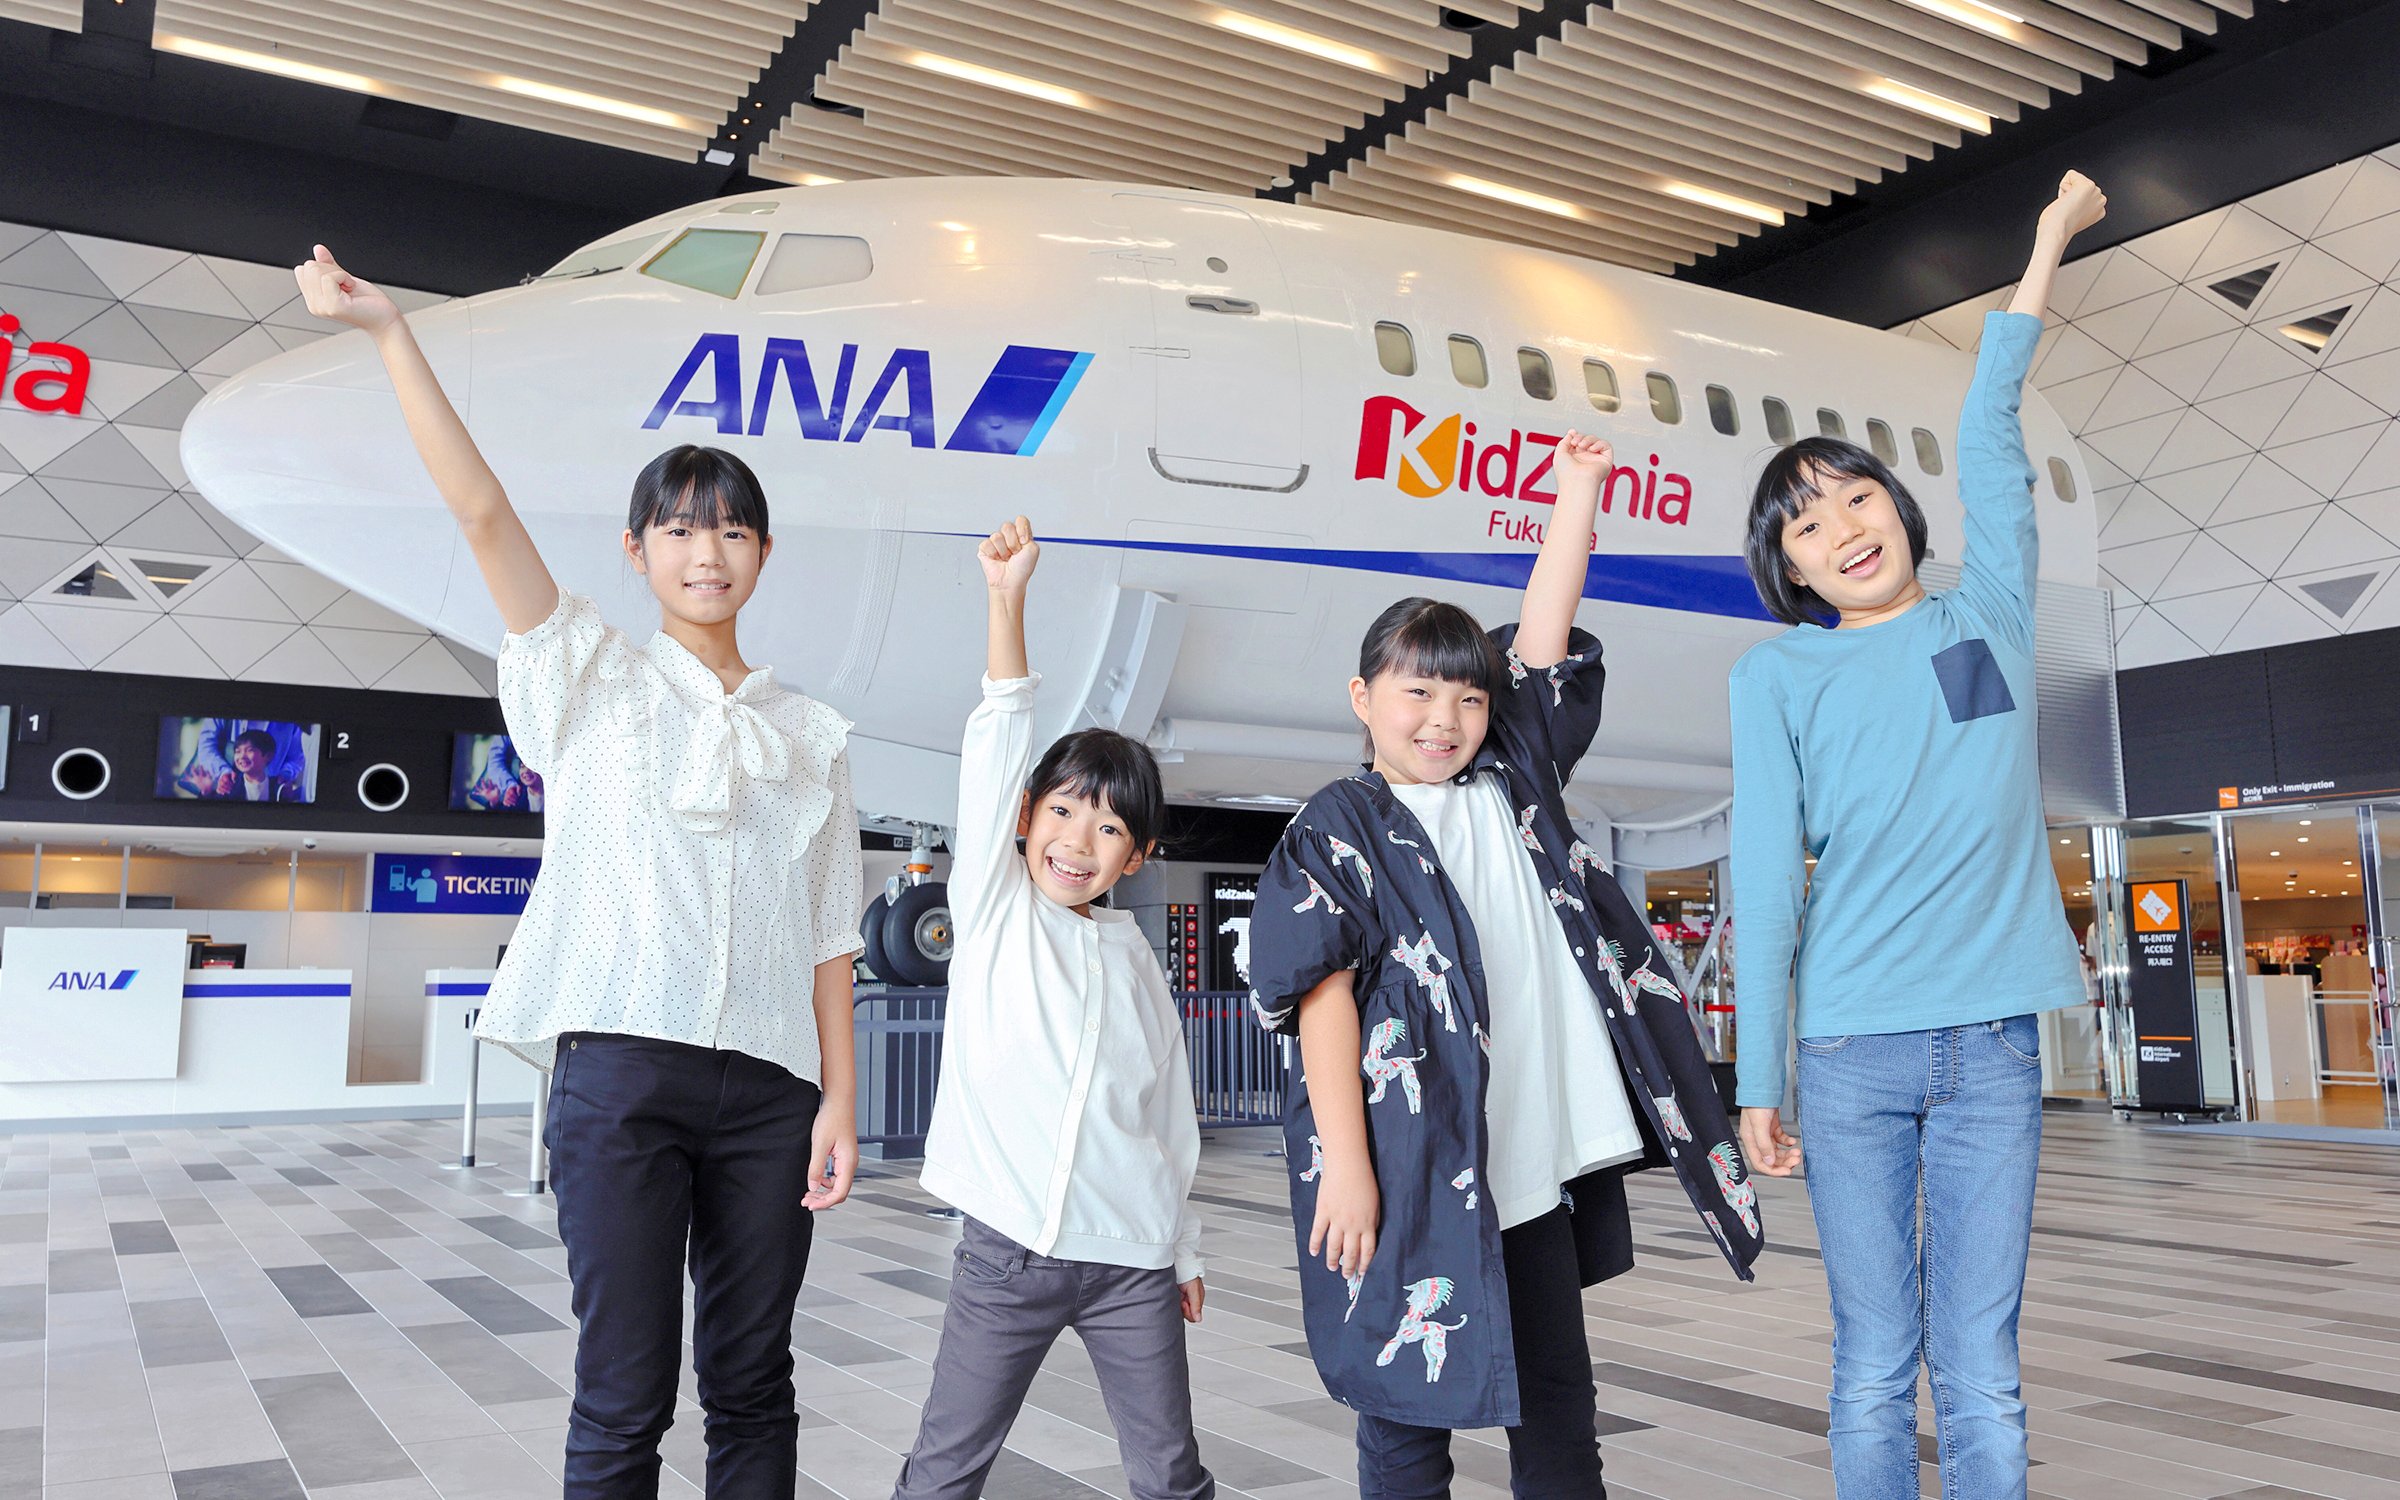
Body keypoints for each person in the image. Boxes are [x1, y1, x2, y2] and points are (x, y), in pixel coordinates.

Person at [297, 245, 864, 1500]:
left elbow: (832, 932)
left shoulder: (813, 733)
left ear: (764, 552)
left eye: (731, 529)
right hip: (622, 1073)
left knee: (756, 1387)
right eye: (680, 528)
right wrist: (391, 333)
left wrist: (838, 1098)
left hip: (773, 1093)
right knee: (623, 1392)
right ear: (637, 549)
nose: (706, 551)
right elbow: (481, 513)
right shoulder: (589, 677)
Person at [1248, 436, 1762, 1499]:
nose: (1445, 720)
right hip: (1408, 1164)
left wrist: (1576, 492)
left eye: (1468, 700)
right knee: (1403, 1414)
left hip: (1525, 1165)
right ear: (1363, 697)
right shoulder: (1337, 826)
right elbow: (1320, 1002)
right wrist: (1346, 1166)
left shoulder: (1513, 780)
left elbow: (1541, 635)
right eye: (1417, 695)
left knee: (1561, 1408)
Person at [1728, 173, 2108, 1499]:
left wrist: (2047, 241)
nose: (1843, 530)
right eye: (1808, 525)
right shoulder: (1777, 676)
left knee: (1984, 1364)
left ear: (1897, 505)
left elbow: (1991, 426)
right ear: (1790, 568)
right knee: (1874, 1360)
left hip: (1994, 1044)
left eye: (1856, 498)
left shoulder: (1983, 617)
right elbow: (1765, 878)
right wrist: (1757, 1075)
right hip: (1848, 1052)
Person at [890, 517, 1214, 1500]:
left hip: (1131, 1261)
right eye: (1064, 811)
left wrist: (1182, 1251)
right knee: (945, 1470)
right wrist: (1007, 603)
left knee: (1171, 1475)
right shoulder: (995, 912)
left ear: (1137, 856)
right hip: (1008, 1253)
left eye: (1109, 828)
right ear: (1027, 818)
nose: (1079, 841)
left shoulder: (1136, 961)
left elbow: (1169, 1121)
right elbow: (998, 749)